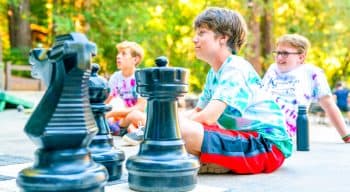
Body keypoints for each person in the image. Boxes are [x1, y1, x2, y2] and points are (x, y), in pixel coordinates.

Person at [178, 7, 292, 174]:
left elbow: (207, 118)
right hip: (245, 138)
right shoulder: (215, 73)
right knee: (174, 128)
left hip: (267, 146)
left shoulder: (235, 68)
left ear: (223, 37)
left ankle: (211, 161)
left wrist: (170, 126)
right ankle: (215, 163)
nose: (195, 39)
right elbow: (197, 111)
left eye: (202, 33)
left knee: (180, 131)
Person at [261, 34, 350, 143]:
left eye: (285, 53)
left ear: (301, 57)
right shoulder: (272, 69)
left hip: (280, 133)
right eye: (277, 53)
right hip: (257, 124)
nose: (279, 57)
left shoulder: (311, 73)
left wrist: (346, 136)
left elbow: (328, 105)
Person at [105, 41, 146, 145]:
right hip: (119, 122)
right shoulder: (115, 77)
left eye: (123, 54)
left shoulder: (140, 78)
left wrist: (114, 113)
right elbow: (106, 102)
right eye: (118, 53)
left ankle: (136, 132)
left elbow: (140, 107)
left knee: (135, 115)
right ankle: (137, 133)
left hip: (135, 117)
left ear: (135, 59)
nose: (118, 57)